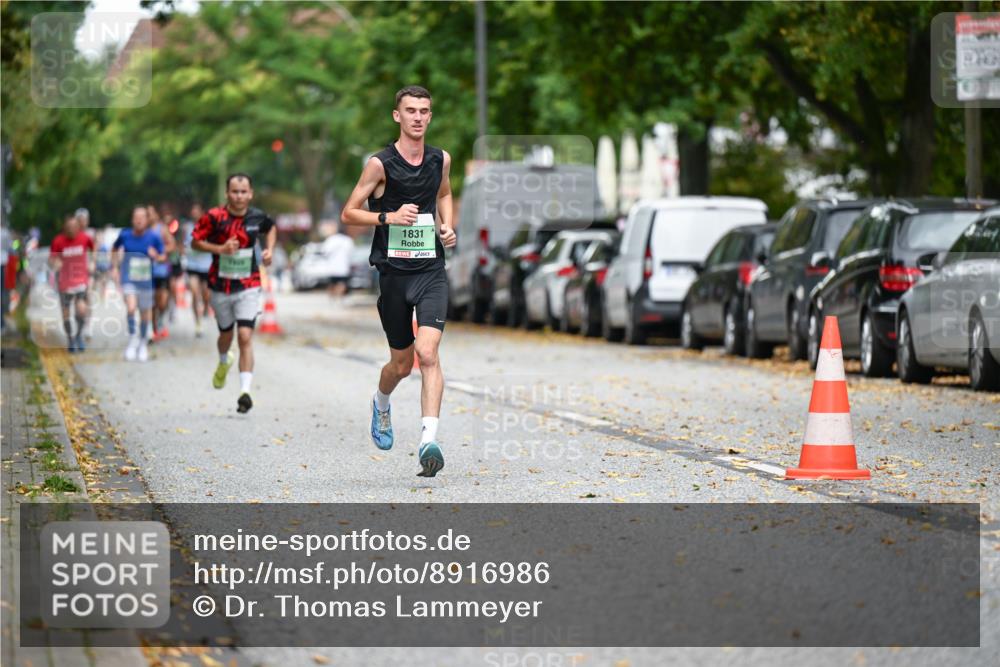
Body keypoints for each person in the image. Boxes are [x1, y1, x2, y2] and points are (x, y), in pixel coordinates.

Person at [341, 85, 457, 478]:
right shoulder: (380, 164)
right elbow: (349, 212)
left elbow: (444, 193)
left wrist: (448, 226)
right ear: (397, 116)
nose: (419, 117)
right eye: (411, 111)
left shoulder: (441, 159)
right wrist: (388, 218)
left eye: (425, 111)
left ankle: (428, 441)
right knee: (401, 364)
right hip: (393, 275)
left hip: (430, 271)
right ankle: (381, 402)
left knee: (428, 354)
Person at [191, 173, 277, 414]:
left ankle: (245, 392)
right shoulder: (214, 217)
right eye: (235, 192)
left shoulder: (257, 216)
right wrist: (220, 248)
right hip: (220, 286)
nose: (239, 196)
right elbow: (195, 241)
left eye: (243, 192)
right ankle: (223, 360)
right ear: (227, 194)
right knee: (226, 336)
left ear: (250, 194)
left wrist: (269, 250)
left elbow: (271, 228)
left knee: (245, 336)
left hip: (249, 284)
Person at [113, 206, 165, 362]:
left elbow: (163, 256)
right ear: (132, 219)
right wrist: (114, 267)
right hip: (128, 278)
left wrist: (156, 256)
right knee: (130, 308)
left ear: (147, 220)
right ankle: (132, 340)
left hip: (146, 281)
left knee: (145, 315)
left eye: (142, 217)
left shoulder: (154, 237)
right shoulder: (125, 235)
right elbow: (114, 249)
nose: (139, 220)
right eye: (136, 217)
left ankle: (142, 343)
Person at [48, 214, 94, 352]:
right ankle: (70, 339)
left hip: (81, 279)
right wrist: (55, 263)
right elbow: (51, 259)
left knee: (81, 310)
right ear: (64, 228)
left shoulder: (85, 238)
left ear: (79, 227)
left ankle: (79, 335)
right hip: (65, 282)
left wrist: (92, 262)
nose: (72, 230)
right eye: (69, 227)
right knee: (66, 314)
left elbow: (93, 250)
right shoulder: (58, 241)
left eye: (75, 227)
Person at [184, 204, 212, 337]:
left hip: (206, 266)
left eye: (197, 212)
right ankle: (197, 323)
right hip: (192, 265)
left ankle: (206, 306)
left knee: (206, 294)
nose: (194, 214)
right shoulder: (187, 227)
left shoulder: (209, 227)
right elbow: (183, 244)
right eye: (192, 212)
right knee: (195, 293)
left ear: (202, 213)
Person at [147, 205, 175, 341]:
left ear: (156, 215)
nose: (148, 217)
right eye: (146, 214)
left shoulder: (162, 228)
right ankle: (154, 330)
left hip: (161, 270)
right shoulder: (142, 231)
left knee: (162, 301)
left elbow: (172, 245)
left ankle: (161, 318)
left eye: (150, 214)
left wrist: (160, 254)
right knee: (151, 302)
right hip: (145, 271)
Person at [322, 226, 354, 297]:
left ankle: (332, 297)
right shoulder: (348, 240)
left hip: (332, 267)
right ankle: (339, 296)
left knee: (332, 284)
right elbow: (351, 253)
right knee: (342, 283)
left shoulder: (331, 239)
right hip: (343, 267)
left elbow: (325, 251)